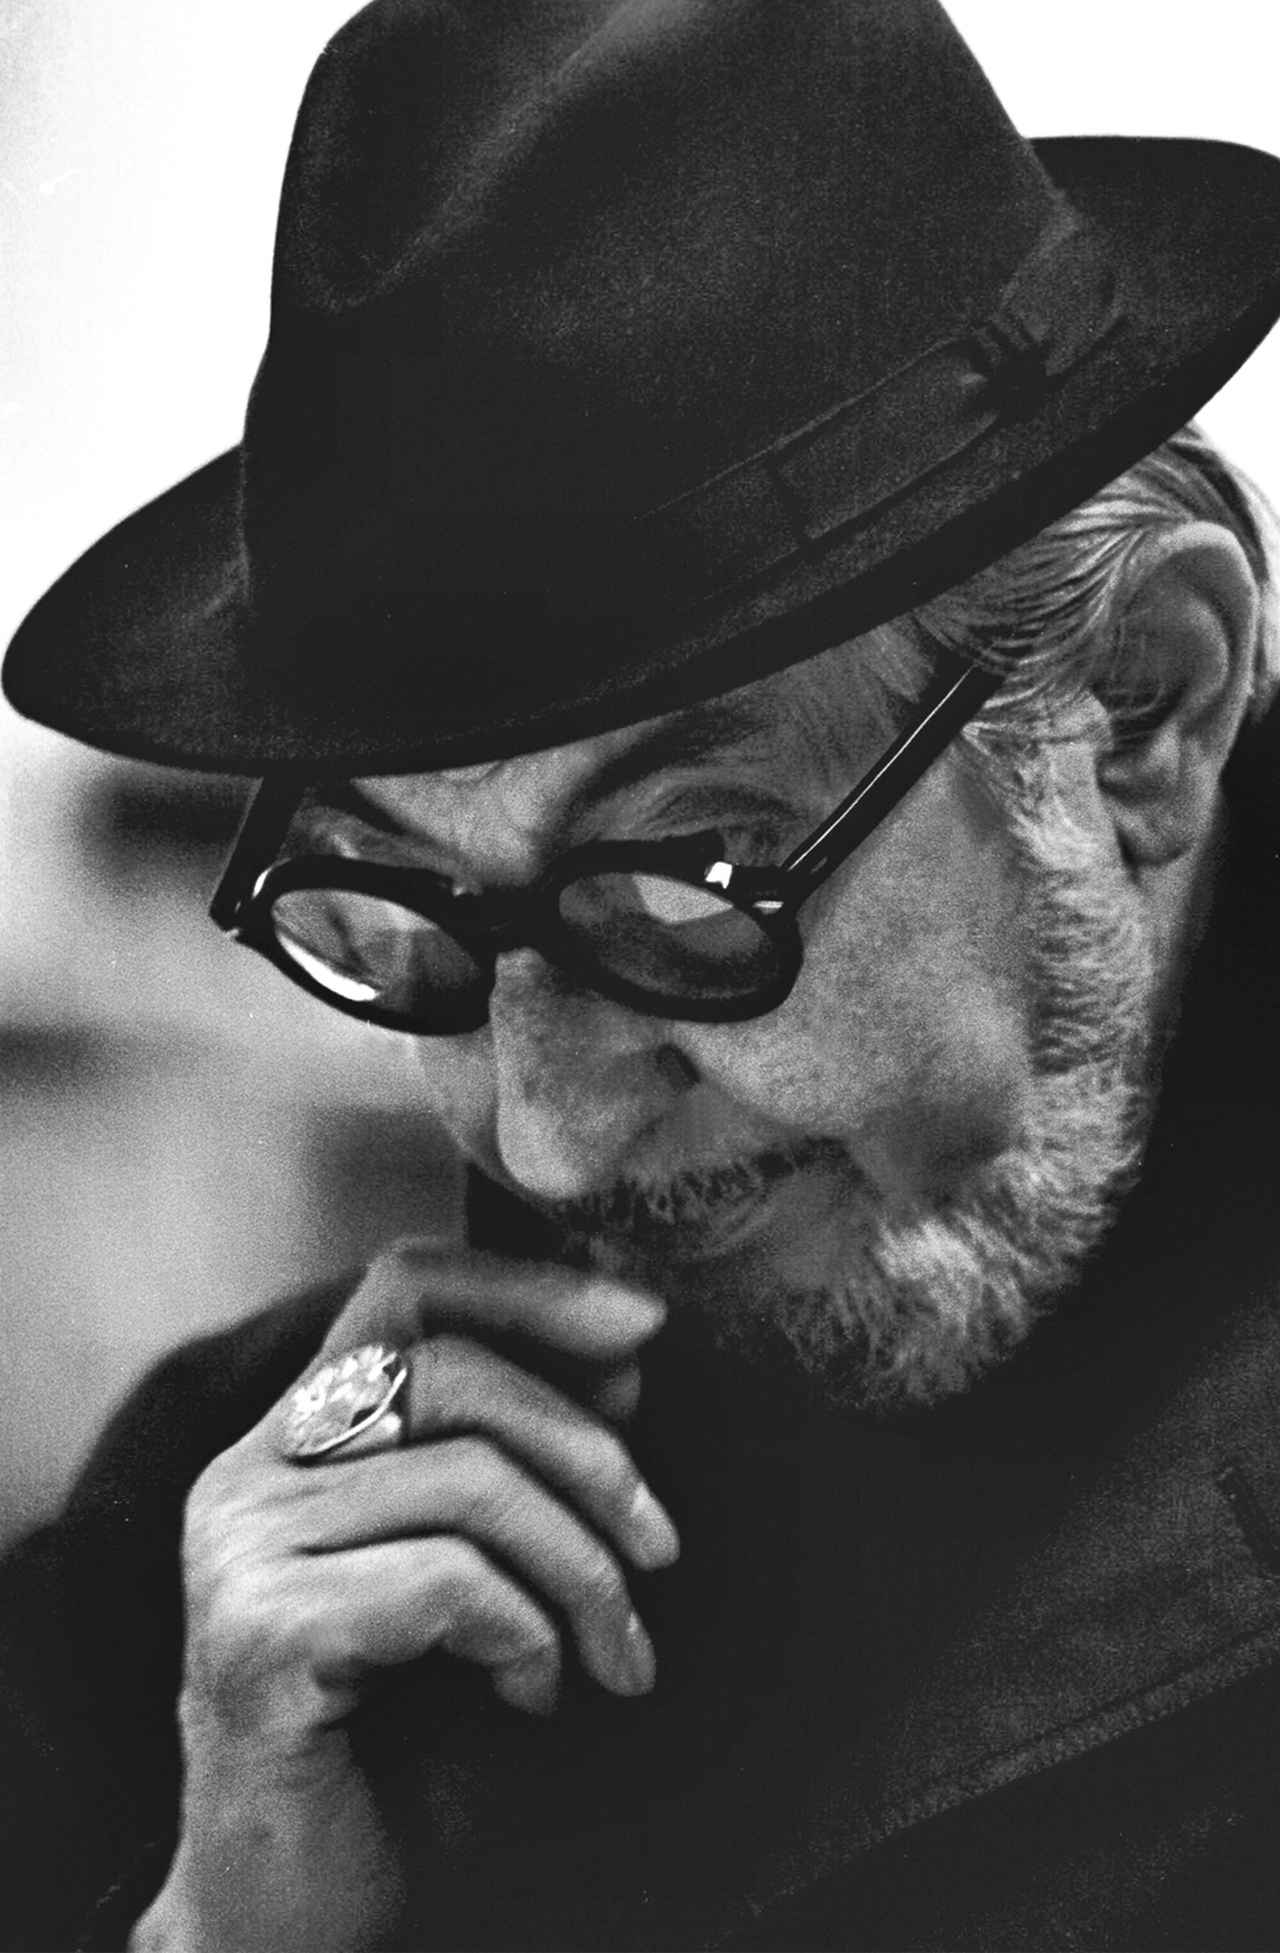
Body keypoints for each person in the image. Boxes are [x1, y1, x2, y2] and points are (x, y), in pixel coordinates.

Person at [4, 0, 1280, 1947]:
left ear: (1137, 706)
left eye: (690, 881)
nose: (547, 1133)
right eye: (409, 906)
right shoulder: (211, 1570)